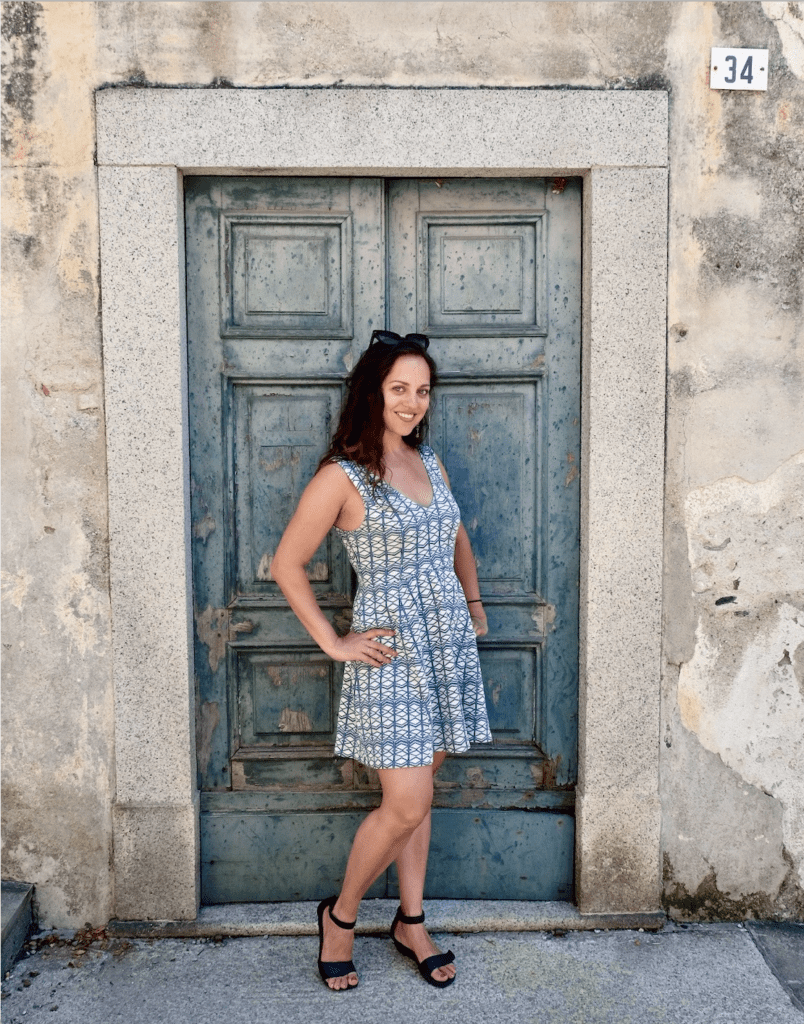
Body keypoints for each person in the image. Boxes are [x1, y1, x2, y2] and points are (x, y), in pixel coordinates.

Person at [271, 330, 492, 991]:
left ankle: (411, 920)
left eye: (422, 391)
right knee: (405, 801)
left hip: (445, 642)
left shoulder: (432, 461)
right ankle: (340, 918)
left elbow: (456, 536)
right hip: (391, 649)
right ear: (373, 391)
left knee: (422, 793)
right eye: (400, 389)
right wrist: (334, 642)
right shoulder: (341, 477)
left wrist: (473, 603)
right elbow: (287, 564)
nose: (413, 402)